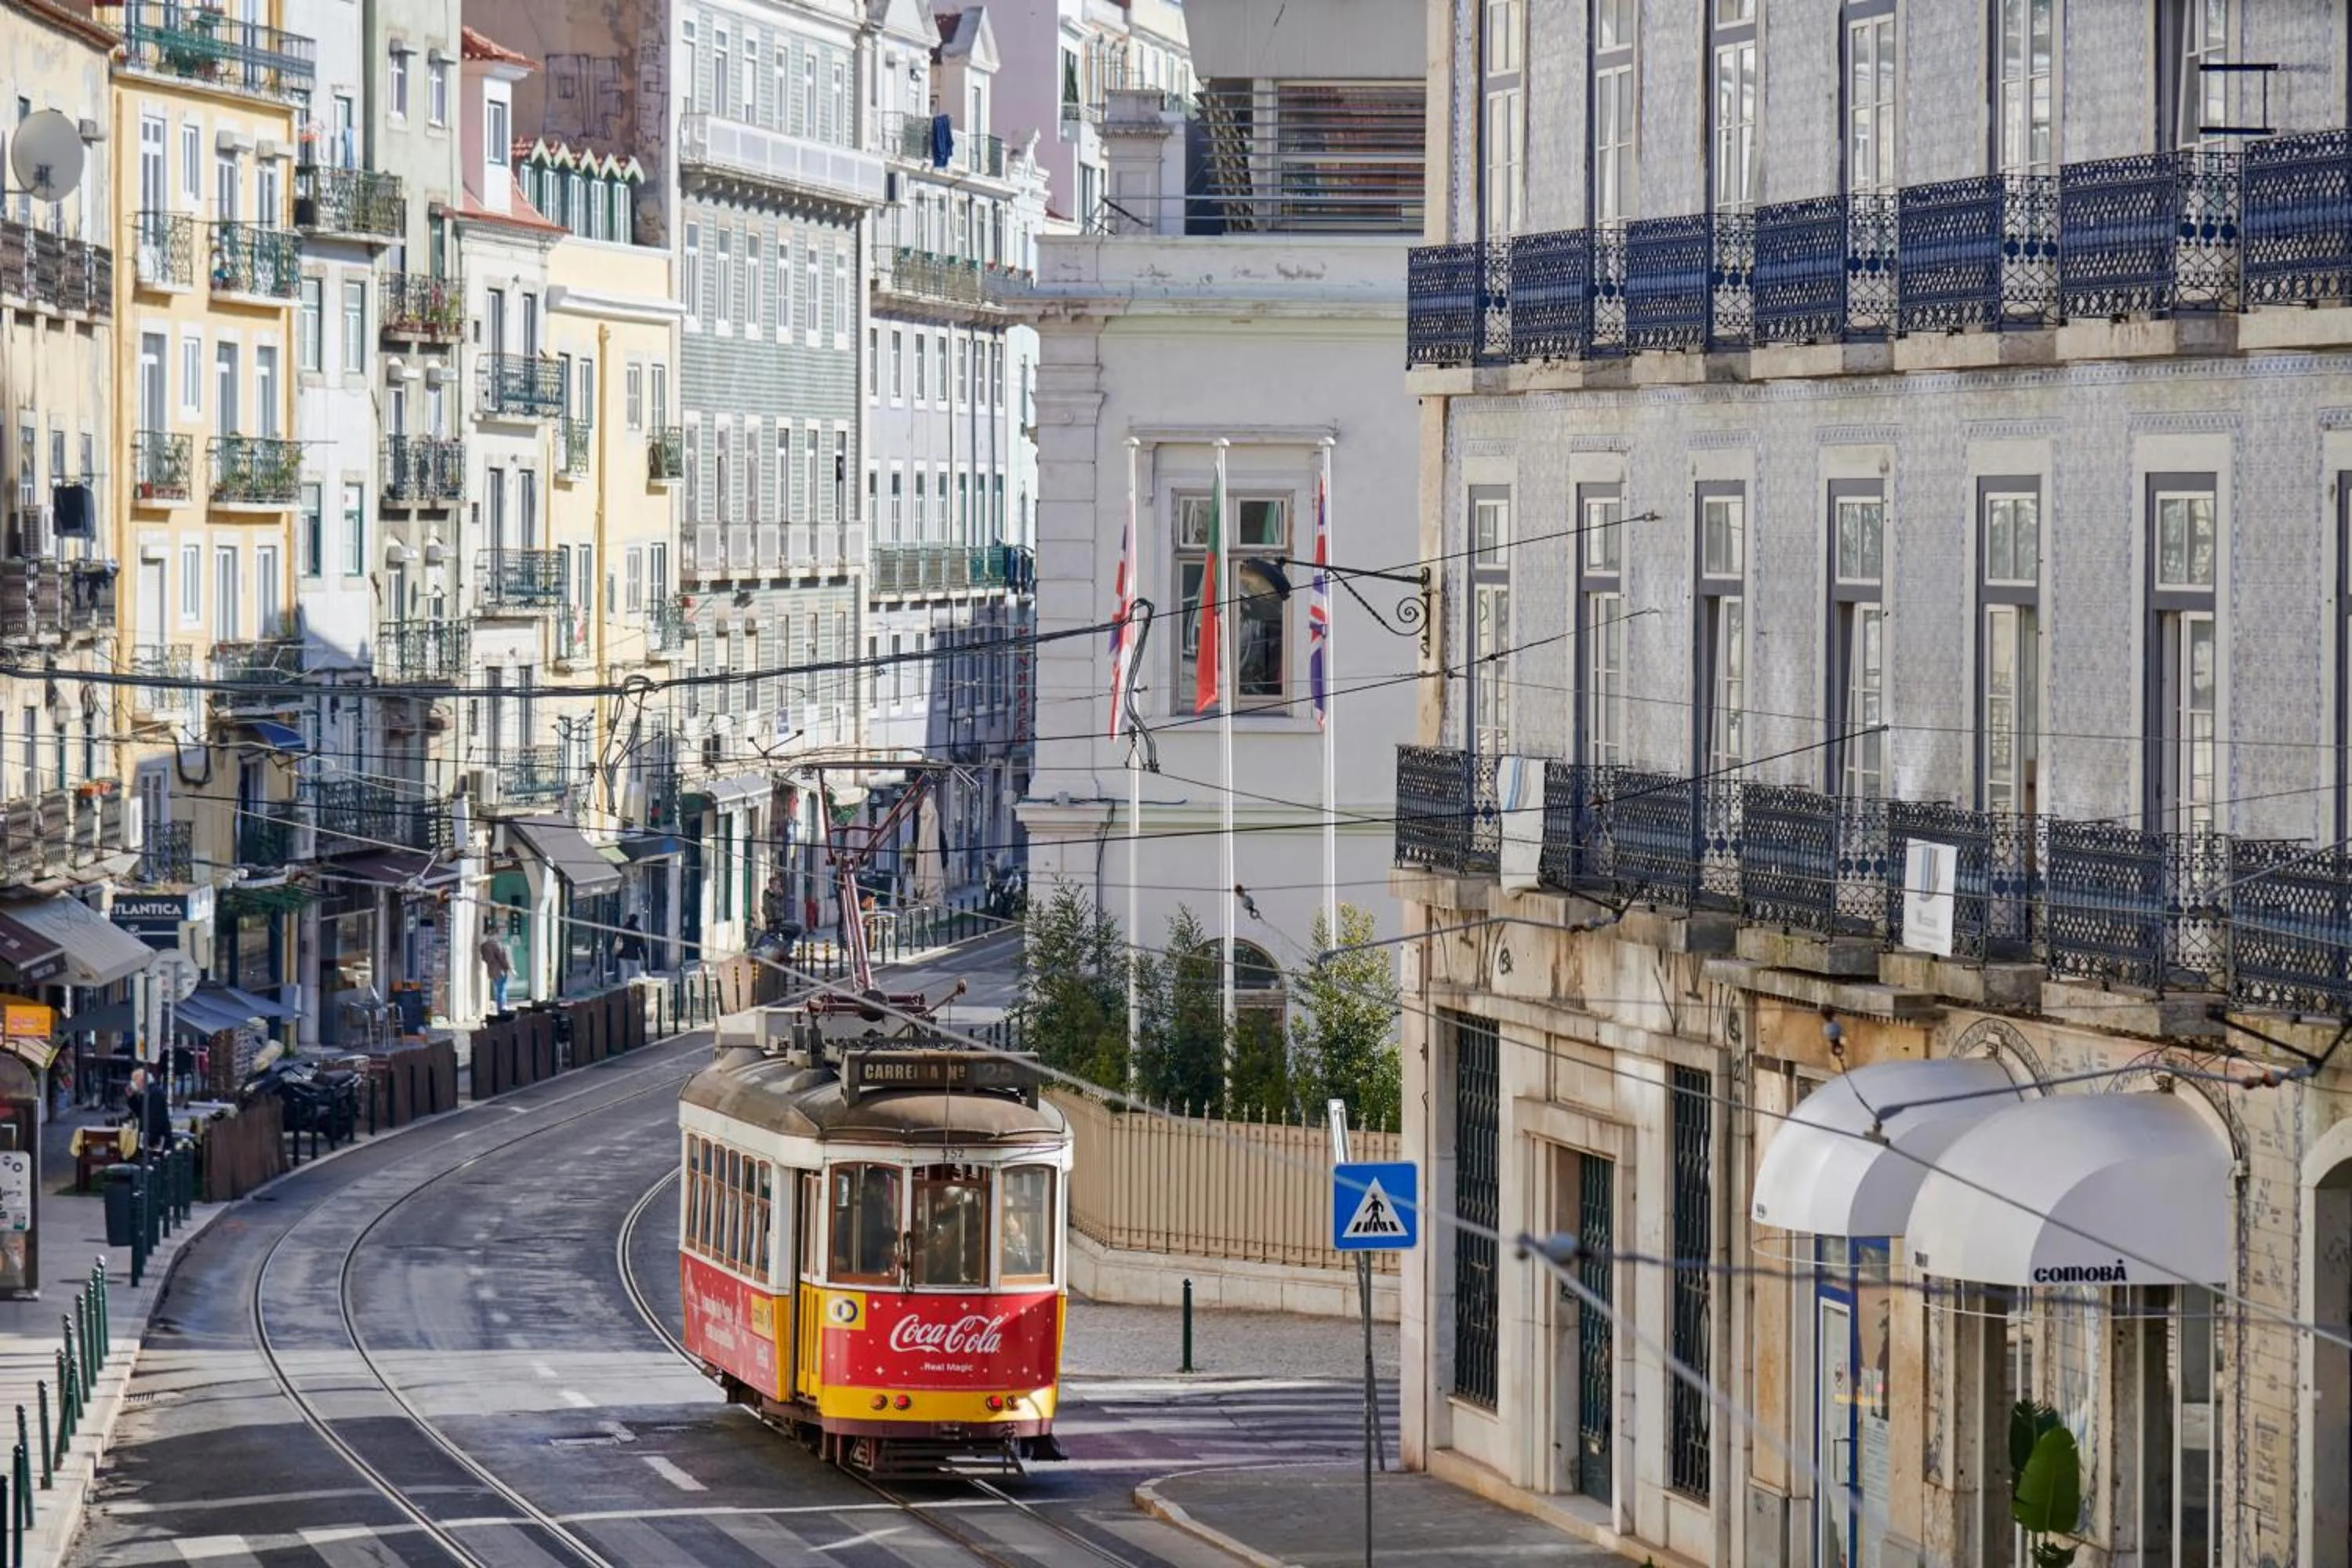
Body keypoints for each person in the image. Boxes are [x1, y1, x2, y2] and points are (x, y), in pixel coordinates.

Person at [479, 923, 514, 1013]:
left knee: (499, 989)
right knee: (502, 990)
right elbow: (503, 959)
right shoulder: (497, 945)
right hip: (500, 971)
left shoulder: (484, 946)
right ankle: (502, 1008)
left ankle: (501, 1007)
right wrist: (510, 968)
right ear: (495, 935)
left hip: (492, 971)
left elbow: (485, 959)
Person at [615, 913, 647, 985]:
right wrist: (645, 956)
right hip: (633, 955)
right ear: (636, 921)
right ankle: (634, 989)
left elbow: (616, 940)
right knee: (636, 974)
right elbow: (642, 945)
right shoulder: (637, 931)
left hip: (622, 954)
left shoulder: (622, 929)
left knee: (624, 973)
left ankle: (624, 989)